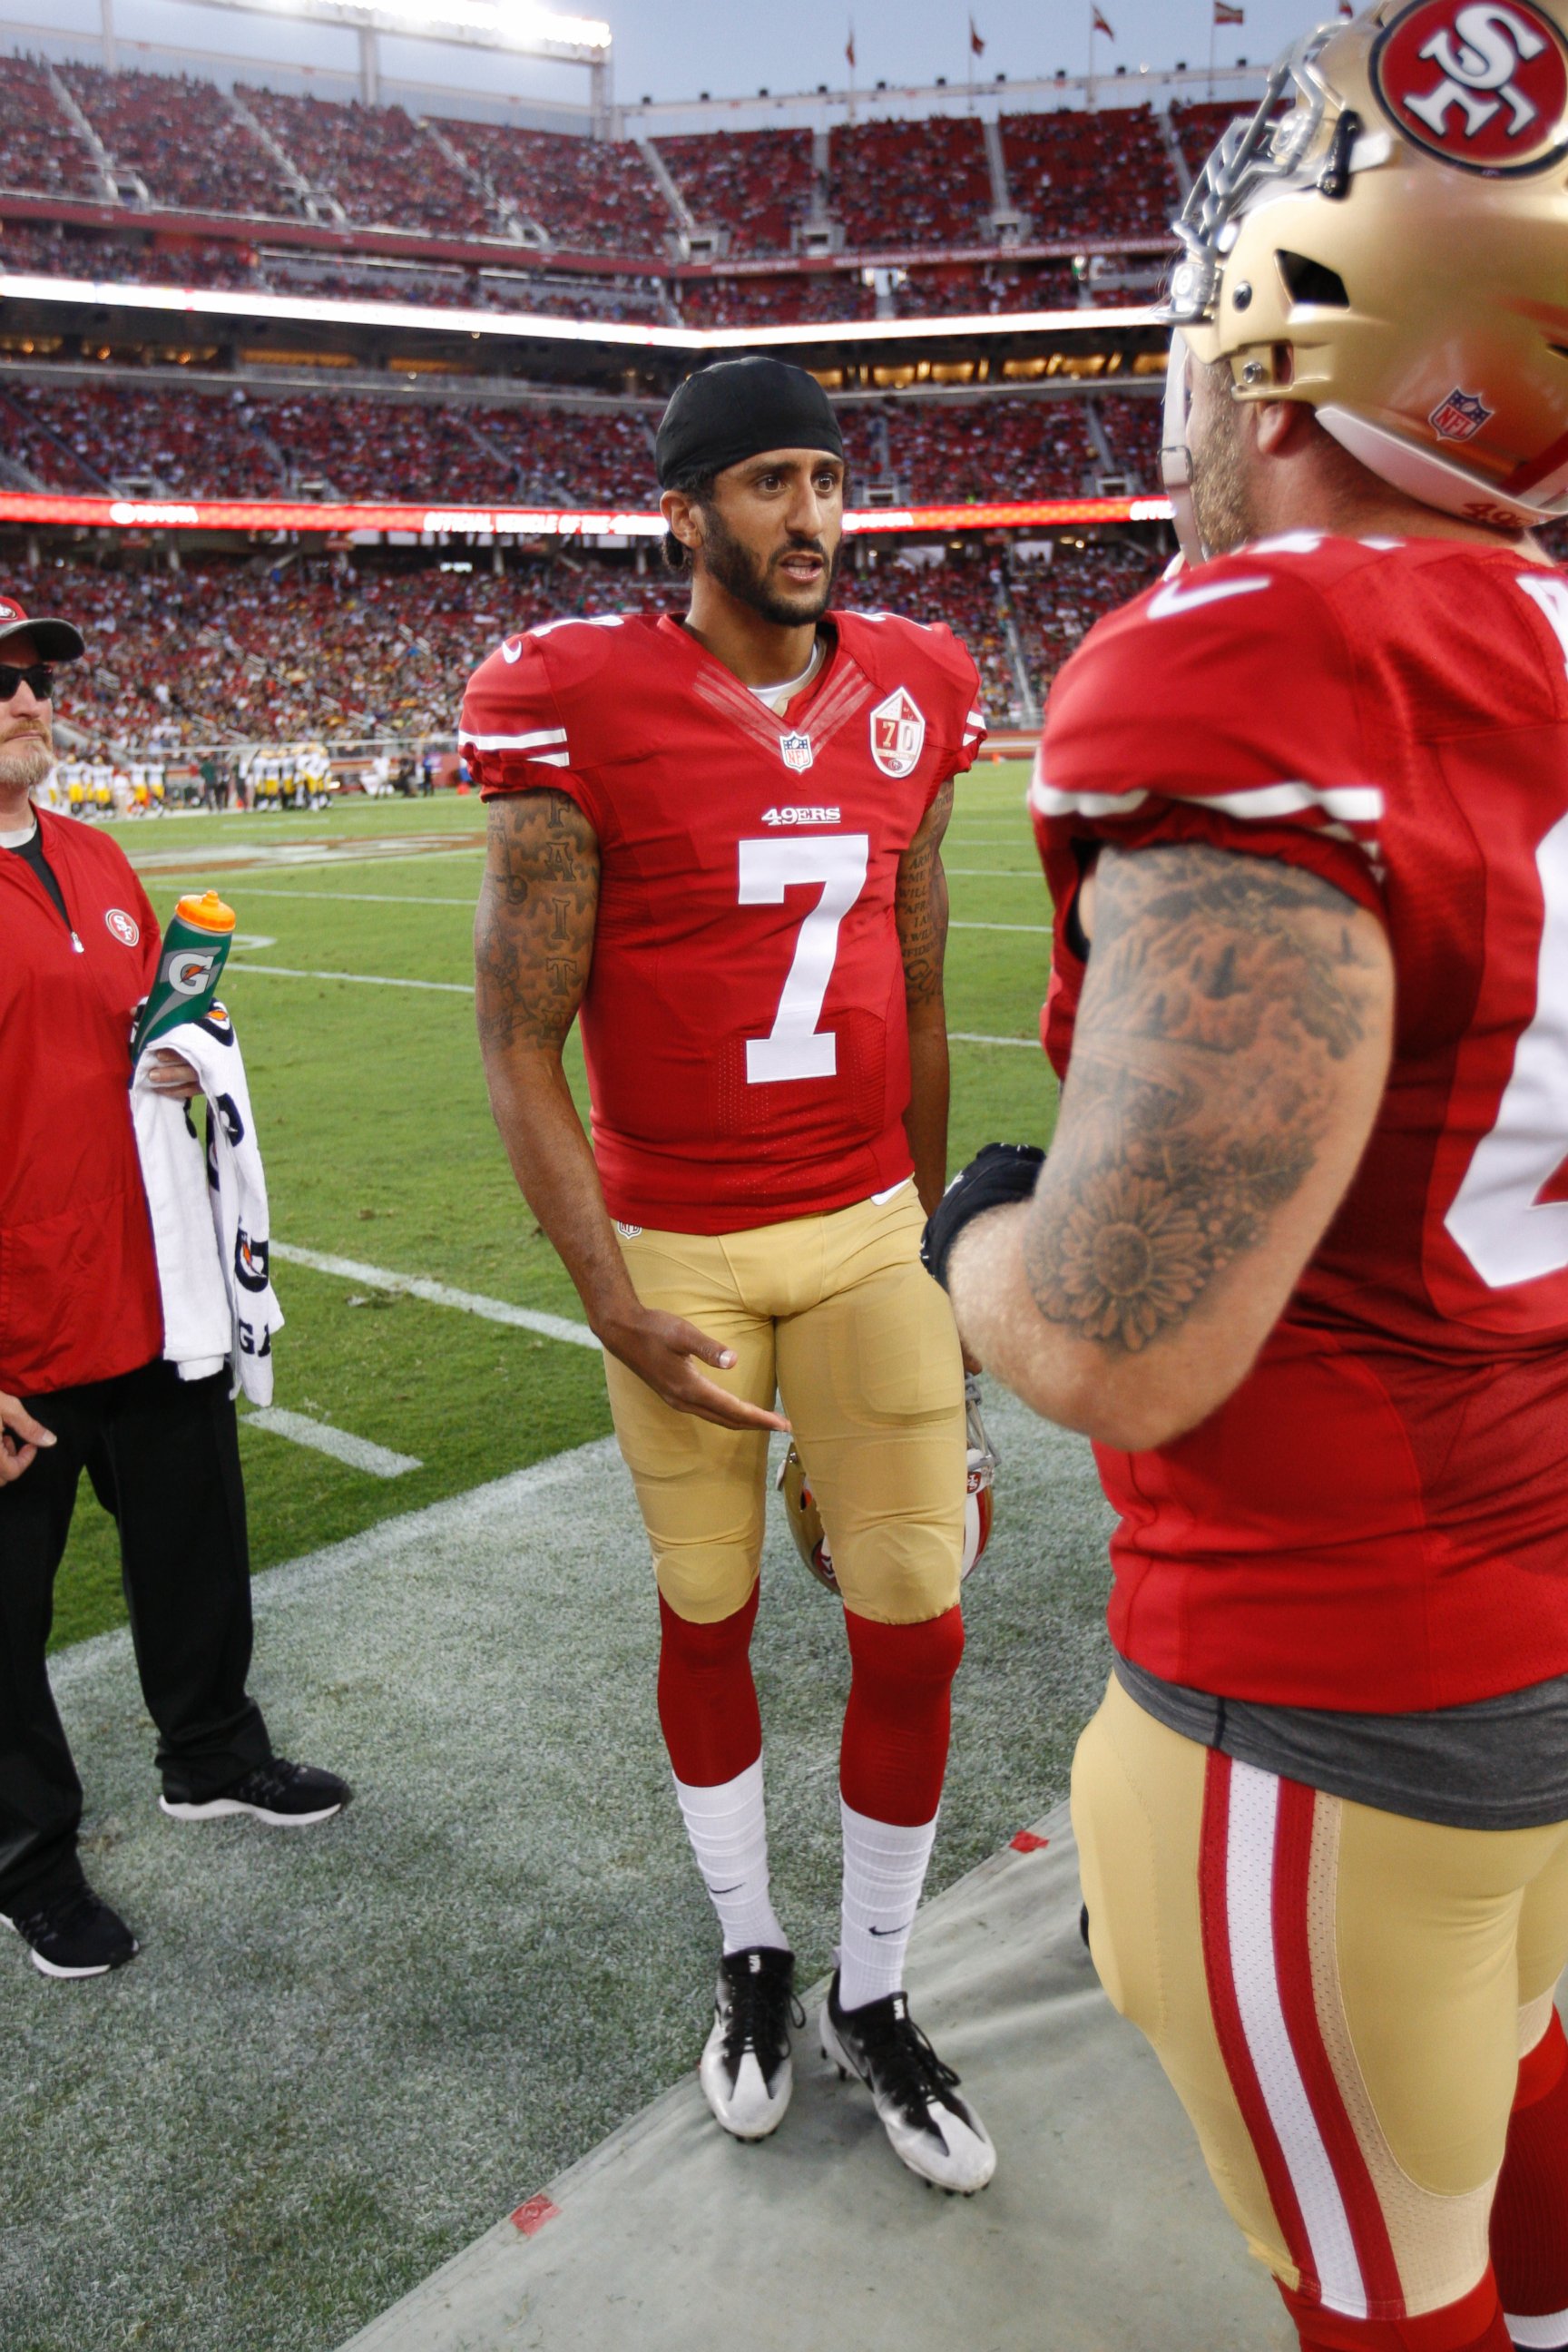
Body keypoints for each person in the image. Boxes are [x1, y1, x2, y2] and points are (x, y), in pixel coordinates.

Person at [926, 11, 1568, 2347]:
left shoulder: (1270, 658)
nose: (1177, 398)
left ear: (1290, 350)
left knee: (1389, 2299)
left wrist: (974, 1224)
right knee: (1513, 2138)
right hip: (1540, 1606)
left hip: (1326, 1683)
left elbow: (1122, 1337)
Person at [463, 357, 996, 2193]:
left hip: (859, 1221)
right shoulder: (575, 697)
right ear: (682, 509)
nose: (813, 518)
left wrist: (926, 1254)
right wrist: (609, 1296)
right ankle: (752, 1951)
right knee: (707, 1605)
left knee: (914, 1612)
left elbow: (920, 991)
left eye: (831, 480)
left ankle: (874, 1983)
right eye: (770, 482)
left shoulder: (920, 684)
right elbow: (517, 1039)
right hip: (674, 1234)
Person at [0, 593, 349, 1983]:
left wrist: (189, 1045)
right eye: (3, 679)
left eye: (39, 677)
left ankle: (208, 1755)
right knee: (4, 1626)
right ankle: (28, 1860)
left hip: (154, 1295)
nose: (29, 698)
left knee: (196, 1553)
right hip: (18, 1329)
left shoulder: (98, 857)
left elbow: (162, 1039)